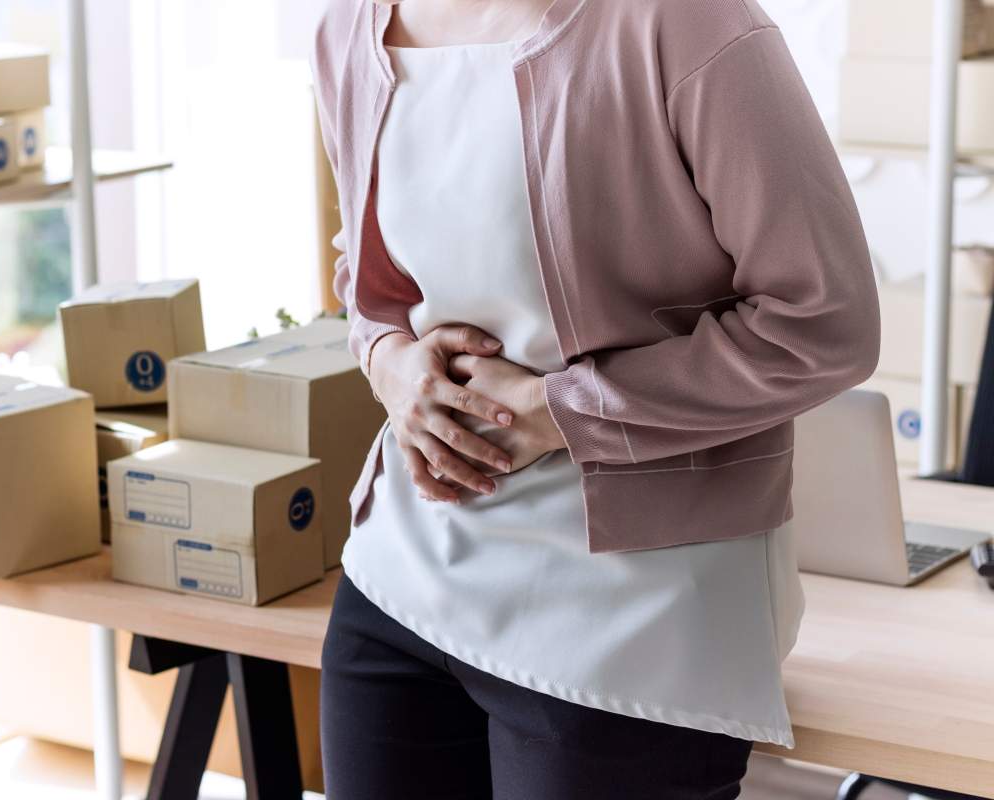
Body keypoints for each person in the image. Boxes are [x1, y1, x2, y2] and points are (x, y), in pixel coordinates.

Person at [310, 0, 880, 797]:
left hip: (635, 610)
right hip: (401, 575)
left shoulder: (686, 22)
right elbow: (368, 277)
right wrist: (388, 361)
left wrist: (565, 411)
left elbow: (823, 321)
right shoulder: (350, 26)